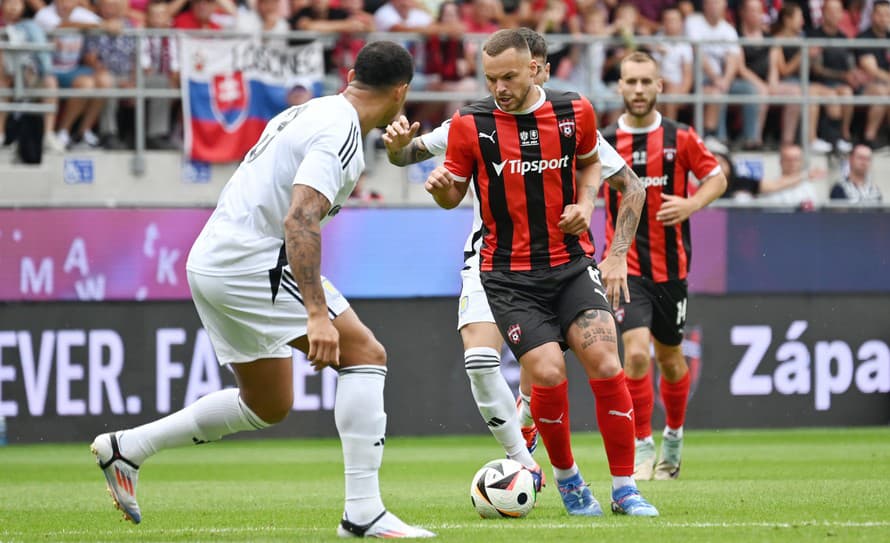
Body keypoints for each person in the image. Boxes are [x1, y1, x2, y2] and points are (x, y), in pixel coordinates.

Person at [90, 41, 435, 539]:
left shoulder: (309, 110)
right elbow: (300, 217)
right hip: (252, 260)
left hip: (214, 258)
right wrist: (317, 313)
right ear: (401, 92)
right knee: (365, 354)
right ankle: (363, 513)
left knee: (267, 404)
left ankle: (128, 447)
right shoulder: (339, 132)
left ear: (351, 72)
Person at [381, 27, 636, 497]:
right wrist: (399, 150)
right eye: (490, 78)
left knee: (601, 358)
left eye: (509, 76)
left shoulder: (573, 113)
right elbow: (416, 161)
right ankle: (529, 462)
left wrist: (603, 230)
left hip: (566, 261)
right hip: (496, 260)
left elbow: (617, 178)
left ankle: (622, 484)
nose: (499, 87)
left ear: (537, 68)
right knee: (485, 362)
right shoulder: (469, 123)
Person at [601, 51, 727, 482]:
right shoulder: (602, 142)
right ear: (619, 86)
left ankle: (673, 437)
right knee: (635, 354)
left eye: (645, 82)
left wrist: (692, 203)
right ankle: (642, 445)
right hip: (626, 268)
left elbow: (718, 177)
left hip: (671, 272)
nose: (638, 90)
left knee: (671, 360)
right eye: (630, 82)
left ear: (660, 86)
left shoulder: (680, 138)